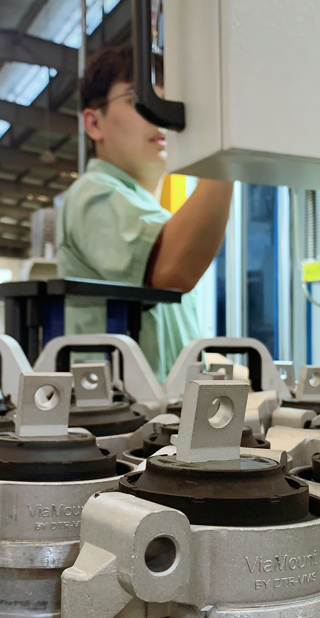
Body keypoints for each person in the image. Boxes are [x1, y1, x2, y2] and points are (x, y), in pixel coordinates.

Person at [56, 43, 233, 383]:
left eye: (169, 100)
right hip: (117, 409)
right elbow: (172, 272)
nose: (161, 113)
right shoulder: (94, 193)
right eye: (140, 99)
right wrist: (223, 151)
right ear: (93, 123)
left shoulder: (149, 211)